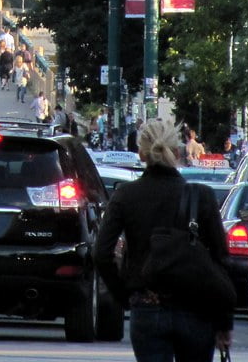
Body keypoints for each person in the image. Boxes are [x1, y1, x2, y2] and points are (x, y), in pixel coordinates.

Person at [94, 119, 233, 362]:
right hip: (196, 308)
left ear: (141, 154)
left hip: (148, 306)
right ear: (178, 153)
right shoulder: (202, 196)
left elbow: (101, 254)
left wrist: (124, 295)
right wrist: (223, 322)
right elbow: (221, 261)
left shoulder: (125, 196)